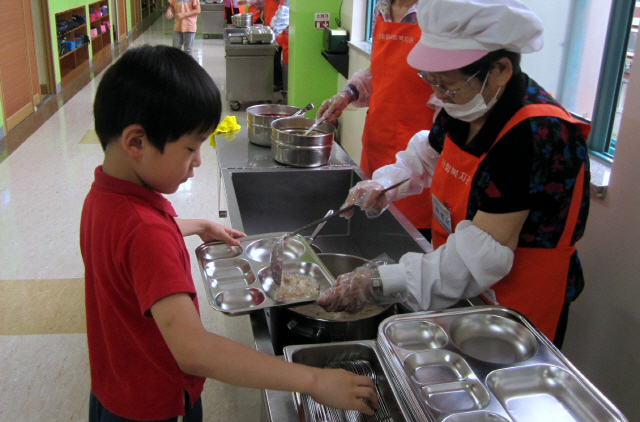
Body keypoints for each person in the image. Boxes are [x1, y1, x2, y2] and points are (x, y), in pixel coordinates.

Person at [83, 45, 378, 421]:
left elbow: (125, 244)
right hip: (156, 404)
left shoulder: (102, 197)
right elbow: (194, 351)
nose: (198, 162)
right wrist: (314, 381)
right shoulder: (147, 233)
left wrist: (198, 226)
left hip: (112, 389)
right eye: (190, 148)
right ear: (136, 142)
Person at [317, 0, 591, 349]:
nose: (439, 94)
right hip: (461, 283)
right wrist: (385, 182)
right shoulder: (466, 102)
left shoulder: (535, 134)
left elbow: (483, 253)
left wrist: (381, 281)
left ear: (501, 69)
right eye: (432, 81)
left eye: (447, 84)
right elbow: (429, 153)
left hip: (516, 309)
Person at [317, 0, 435, 240]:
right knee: (370, 226)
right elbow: (378, 73)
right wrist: (347, 94)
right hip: (376, 141)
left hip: (422, 154)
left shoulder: (436, 13)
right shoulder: (381, 9)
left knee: (406, 239)